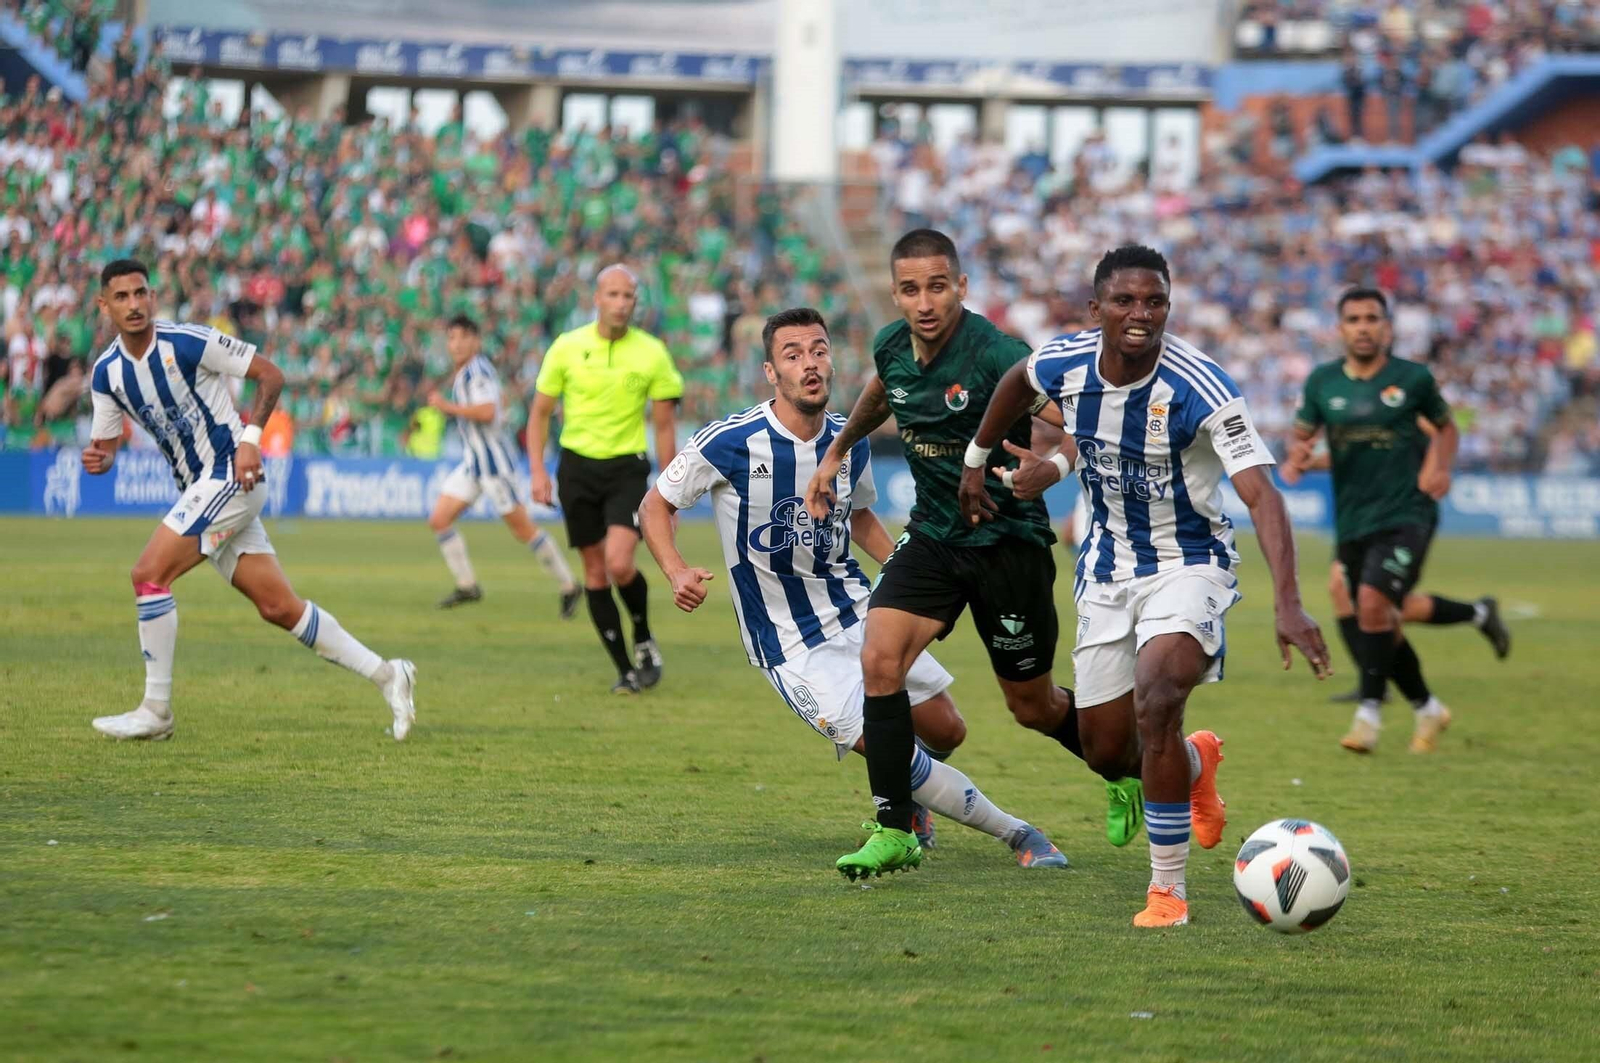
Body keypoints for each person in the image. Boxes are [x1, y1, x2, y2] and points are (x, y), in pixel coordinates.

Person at [959, 245, 1331, 927]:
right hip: (1106, 569)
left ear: (1169, 306)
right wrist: (977, 457)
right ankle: (1196, 763)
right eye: (1126, 301)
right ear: (1097, 309)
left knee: (1158, 696)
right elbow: (1017, 379)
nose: (1141, 314)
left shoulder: (1203, 387)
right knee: (1106, 749)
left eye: (1155, 301)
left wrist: (1288, 602)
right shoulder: (1065, 362)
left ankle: (1168, 890)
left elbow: (1261, 495)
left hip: (1189, 563)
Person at [639, 307, 1067, 874]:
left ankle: (910, 799)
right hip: (789, 640)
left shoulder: (851, 438)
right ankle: (1020, 834)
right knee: (892, 748)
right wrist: (675, 570)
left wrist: (904, 567)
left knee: (948, 728)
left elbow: (860, 515)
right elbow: (655, 504)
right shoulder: (732, 441)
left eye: (818, 350)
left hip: (856, 608)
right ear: (771, 372)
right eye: (793, 355)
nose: (810, 363)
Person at [802, 229, 1131, 882]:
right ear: (895, 292)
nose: (924, 301)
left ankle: (1121, 766)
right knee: (880, 657)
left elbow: (1079, 420)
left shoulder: (996, 354)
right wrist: (836, 453)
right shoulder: (894, 346)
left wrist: (1054, 465)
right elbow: (881, 392)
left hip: (1008, 544)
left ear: (961, 287)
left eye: (936, 286)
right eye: (909, 288)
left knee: (1031, 706)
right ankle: (894, 827)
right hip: (933, 537)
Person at [82, 259, 416, 742]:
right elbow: (106, 448)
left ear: (152, 296)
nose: (134, 305)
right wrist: (100, 460)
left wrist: (250, 438)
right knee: (280, 607)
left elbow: (271, 374)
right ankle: (390, 675)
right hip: (203, 490)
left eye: (141, 293)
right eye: (122, 297)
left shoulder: (188, 341)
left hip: (233, 476)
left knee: (148, 575)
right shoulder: (106, 374)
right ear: (104, 305)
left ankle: (156, 710)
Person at [1283, 287, 1465, 754]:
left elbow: (1446, 427)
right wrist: (1299, 456)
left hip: (1408, 512)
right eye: (1354, 319)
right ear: (1340, 328)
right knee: (1373, 611)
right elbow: (1303, 438)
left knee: (1369, 599)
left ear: (1386, 327)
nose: (1363, 326)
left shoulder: (1413, 379)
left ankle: (1368, 713)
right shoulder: (1323, 383)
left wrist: (1438, 466)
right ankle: (1427, 708)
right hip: (1354, 517)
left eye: (1372, 318)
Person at [529, 265, 682, 694]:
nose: (620, 303)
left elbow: (665, 427)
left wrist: (671, 492)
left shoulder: (652, 353)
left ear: (636, 302)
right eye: (612, 294)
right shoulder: (566, 347)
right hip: (576, 468)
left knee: (619, 563)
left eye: (628, 296)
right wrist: (538, 471)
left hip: (627, 468)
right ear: (596, 298)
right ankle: (625, 671)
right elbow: (539, 413)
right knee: (594, 572)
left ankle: (644, 638)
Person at [1282, 435, 1510, 704]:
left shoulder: (1403, 402)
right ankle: (1373, 683)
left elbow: (1437, 430)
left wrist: (1439, 468)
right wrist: (1309, 461)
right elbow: (1357, 453)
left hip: (1401, 515)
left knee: (1379, 604)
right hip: (1362, 514)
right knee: (1345, 591)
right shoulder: (1354, 408)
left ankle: (1387, 695)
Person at [424, 314, 580, 616]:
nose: (455, 344)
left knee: (524, 531)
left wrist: (447, 407)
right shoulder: (465, 373)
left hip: (495, 466)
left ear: (475, 341)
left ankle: (570, 585)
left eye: (461, 338)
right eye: (451, 338)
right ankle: (468, 585)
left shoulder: (477, 372)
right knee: (439, 519)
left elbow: (487, 411)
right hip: (474, 464)